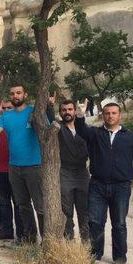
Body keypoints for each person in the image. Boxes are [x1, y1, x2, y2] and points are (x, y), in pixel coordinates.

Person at [75, 101, 133, 264]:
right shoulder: (95, 134)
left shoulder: (129, 137)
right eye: (107, 113)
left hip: (121, 187)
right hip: (97, 185)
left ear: (119, 115)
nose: (110, 116)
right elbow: (81, 131)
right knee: (95, 222)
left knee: (119, 223)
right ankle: (95, 252)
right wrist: (80, 116)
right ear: (102, 115)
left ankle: (120, 257)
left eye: (114, 113)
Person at [0, 85, 43, 243]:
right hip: (14, 166)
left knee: (40, 206)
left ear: (25, 94)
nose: (15, 96)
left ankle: (47, 240)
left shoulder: (34, 112)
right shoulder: (6, 116)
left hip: (34, 166)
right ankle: (30, 239)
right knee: (22, 204)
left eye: (18, 93)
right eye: (12, 94)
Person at [48, 99, 90, 241]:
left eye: (70, 109)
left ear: (74, 111)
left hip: (83, 173)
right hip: (65, 172)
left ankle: (86, 243)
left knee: (84, 210)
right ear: (60, 112)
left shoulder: (84, 129)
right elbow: (49, 120)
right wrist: (49, 105)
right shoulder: (59, 128)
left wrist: (81, 115)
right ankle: (68, 240)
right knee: (66, 210)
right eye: (64, 110)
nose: (67, 112)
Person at [0, 100, 23, 240]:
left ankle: (22, 233)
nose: (7, 110)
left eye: (10, 107)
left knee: (19, 203)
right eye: (5, 108)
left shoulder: (17, 122)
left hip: (15, 168)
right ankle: (7, 230)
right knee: (3, 202)